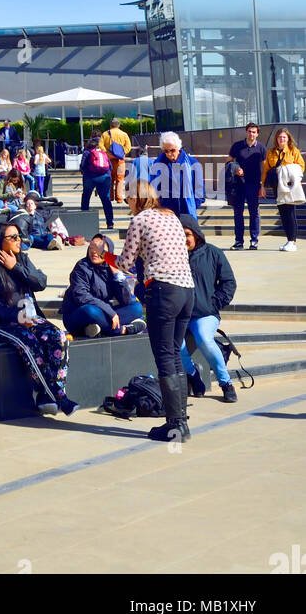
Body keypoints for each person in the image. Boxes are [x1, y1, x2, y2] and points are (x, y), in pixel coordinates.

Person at [0, 221, 77, 417]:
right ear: (0, 241)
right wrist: (16, 317)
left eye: (19, 236)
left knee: (58, 336)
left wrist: (16, 267)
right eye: (13, 237)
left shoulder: (22, 259)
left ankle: (47, 395)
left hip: (28, 316)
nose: (19, 240)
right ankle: (58, 396)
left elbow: (40, 282)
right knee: (27, 343)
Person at [118, 180, 194, 442]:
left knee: (164, 358)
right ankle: (181, 421)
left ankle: (174, 425)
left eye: (129, 197)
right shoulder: (171, 216)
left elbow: (126, 262)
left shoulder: (139, 220)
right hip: (187, 290)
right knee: (174, 355)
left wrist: (109, 260)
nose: (126, 202)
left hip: (163, 291)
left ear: (137, 199)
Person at [179, 216, 238, 402]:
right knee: (175, 346)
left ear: (196, 234)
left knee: (204, 338)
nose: (184, 239)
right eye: (179, 235)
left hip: (205, 314)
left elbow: (229, 282)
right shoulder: (172, 255)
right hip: (179, 314)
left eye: (187, 234)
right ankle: (193, 376)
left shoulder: (213, 253)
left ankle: (226, 383)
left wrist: (213, 304)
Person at [62, 238, 147, 338]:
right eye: (91, 248)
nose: (94, 252)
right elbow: (82, 297)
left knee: (136, 308)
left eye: (99, 249)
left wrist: (118, 276)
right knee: (91, 311)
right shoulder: (81, 267)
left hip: (103, 313)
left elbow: (126, 301)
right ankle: (122, 330)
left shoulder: (110, 268)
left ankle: (97, 329)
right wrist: (110, 313)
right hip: (78, 314)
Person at [260, 127, 305, 252]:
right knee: (283, 213)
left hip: (289, 186)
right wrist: (262, 185)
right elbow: (266, 170)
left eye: (284, 137)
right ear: (276, 139)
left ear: (288, 138)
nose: (282, 139)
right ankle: (288, 240)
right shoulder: (270, 152)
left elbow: (301, 166)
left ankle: (293, 241)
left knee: (290, 212)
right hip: (276, 187)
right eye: (280, 137)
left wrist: (291, 175)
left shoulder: (294, 151)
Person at [149, 132, 205, 218]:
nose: (169, 154)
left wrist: (192, 206)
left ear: (178, 147)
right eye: (166, 151)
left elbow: (200, 190)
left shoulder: (192, 163)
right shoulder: (157, 164)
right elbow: (153, 188)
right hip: (166, 213)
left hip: (187, 213)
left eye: (172, 150)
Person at [228, 123, 265, 250]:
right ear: (246, 132)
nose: (251, 134)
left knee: (254, 213)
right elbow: (229, 161)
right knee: (238, 213)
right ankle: (239, 241)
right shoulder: (237, 146)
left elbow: (264, 168)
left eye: (254, 132)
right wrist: (236, 168)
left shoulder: (261, 148)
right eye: (249, 131)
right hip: (238, 185)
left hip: (254, 185)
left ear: (257, 134)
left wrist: (262, 185)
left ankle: (254, 241)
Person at [79, 133, 114, 228]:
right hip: (105, 177)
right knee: (106, 200)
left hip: (90, 177)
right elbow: (110, 167)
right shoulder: (103, 152)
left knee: (86, 197)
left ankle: (83, 220)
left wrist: (86, 174)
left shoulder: (87, 152)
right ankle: (110, 223)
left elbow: (82, 166)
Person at [100, 118, 132, 207]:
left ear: (110, 125)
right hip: (120, 161)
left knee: (109, 179)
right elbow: (128, 147)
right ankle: (119, 198)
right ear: (119, 125)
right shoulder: (124, 134)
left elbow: (100, 145)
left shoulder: (105, 134)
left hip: (108, 161)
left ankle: (110, 197)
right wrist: (121, 154)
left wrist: (108, 154)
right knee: (120, 179)